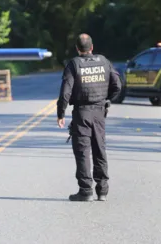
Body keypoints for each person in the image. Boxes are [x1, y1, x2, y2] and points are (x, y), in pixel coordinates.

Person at [56, 33, 121, 202]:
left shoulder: (74, 64)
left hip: (81, 113)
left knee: (83, 151)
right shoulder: (104, 61)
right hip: (99, 112)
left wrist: (60, 113)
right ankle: (102, 191)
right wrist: (106, 100)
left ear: (78, 49)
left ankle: (85, 191)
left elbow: (65, 93)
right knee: (100, 149)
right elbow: (117, 86)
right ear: (92, 48)